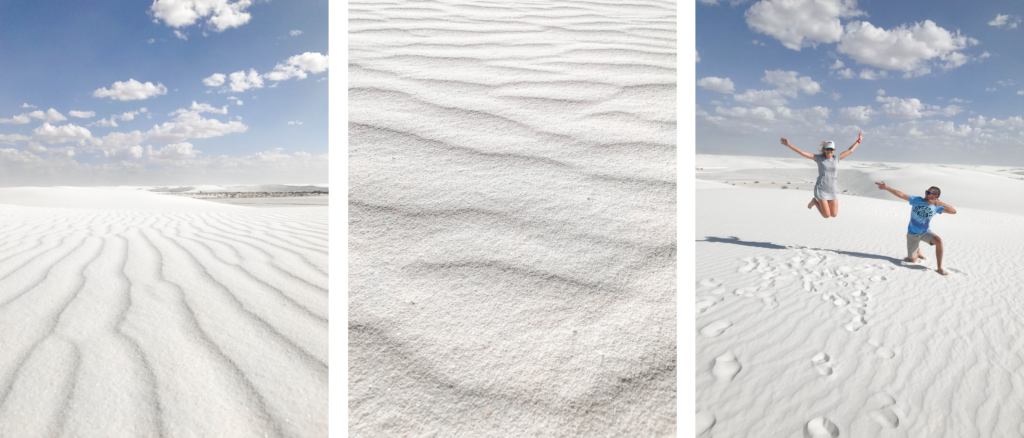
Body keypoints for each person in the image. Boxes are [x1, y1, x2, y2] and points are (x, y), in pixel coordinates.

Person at [874, 182, 957, 275]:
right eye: (926, 191)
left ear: (935, 196)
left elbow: (954, 212)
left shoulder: (937, 207)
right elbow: (901, 195)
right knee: (912, 260)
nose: (926, 193)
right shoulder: (917, 200)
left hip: (926, 232)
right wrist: (887, 188)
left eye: (929, 193)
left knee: (939, 241)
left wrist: (942, 203)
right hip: (912, 234)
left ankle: (939, 267)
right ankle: (918, 251)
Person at [780, 132, 863, 218]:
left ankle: (816, 202)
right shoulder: (819, 158)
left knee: (834, 214)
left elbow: (850, 150)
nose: (829, 151)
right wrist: (789, 145)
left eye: (831, 149)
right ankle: (815, 202)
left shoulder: (836, 158)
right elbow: (802, 152)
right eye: (827, 149)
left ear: (834, 150)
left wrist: (859, 140)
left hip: (832, 190)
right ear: (824, 149)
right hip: (821, 190)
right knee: (826, 215)